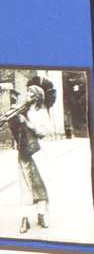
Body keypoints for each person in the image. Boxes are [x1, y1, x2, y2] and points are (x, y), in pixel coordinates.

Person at [3, 76, 50, 234]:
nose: (27, 94)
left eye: (30, 92)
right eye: (27, 91)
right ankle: (25, 219)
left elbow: (43, 133)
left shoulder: (41, 112)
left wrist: (27, 123)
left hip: (38, 153)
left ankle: (41, 215)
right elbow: (14, 130)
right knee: (25, 186)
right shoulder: (21, 109)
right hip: (24, 151)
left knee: (41, 184)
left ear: (37, 96)